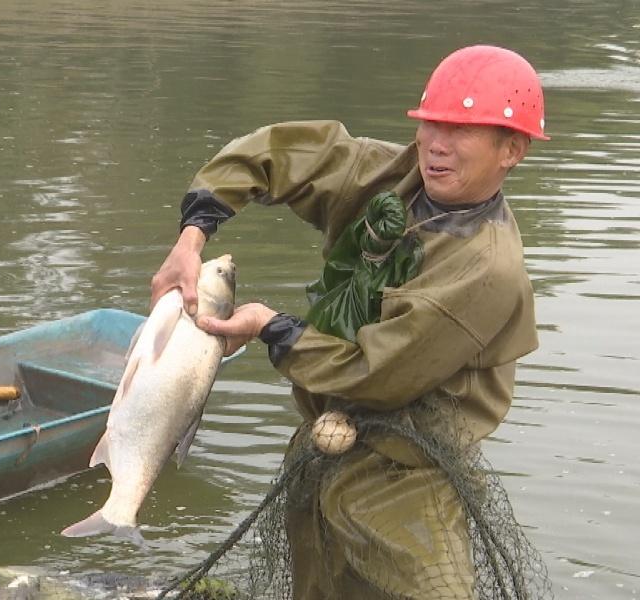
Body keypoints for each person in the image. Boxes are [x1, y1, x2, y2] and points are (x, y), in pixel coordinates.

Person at [151, 45, 549, 600]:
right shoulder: (392, 175)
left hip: (406, 481)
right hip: (320, 449)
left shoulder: (486, 269)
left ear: (512, 150)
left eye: (461, 130)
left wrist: (272, 328)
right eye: (431, 123)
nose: (436, 143)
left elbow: (372, 372)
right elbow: (279, 153)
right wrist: (193, 238)